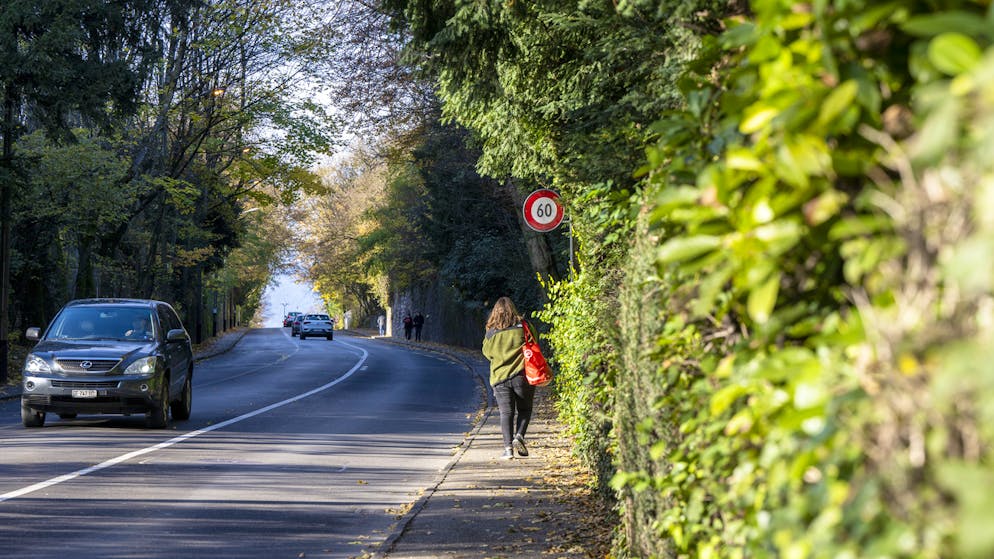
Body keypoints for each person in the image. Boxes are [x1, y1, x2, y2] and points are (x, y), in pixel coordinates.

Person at [481, 297, 536, 460]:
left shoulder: (491, 331)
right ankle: (519, 436)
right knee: (525, 410)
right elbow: (534, 342)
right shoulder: (524, 326)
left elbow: (486, 352)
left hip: (500, 377)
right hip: (522, 375)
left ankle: (508, 450)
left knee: (506, 413)